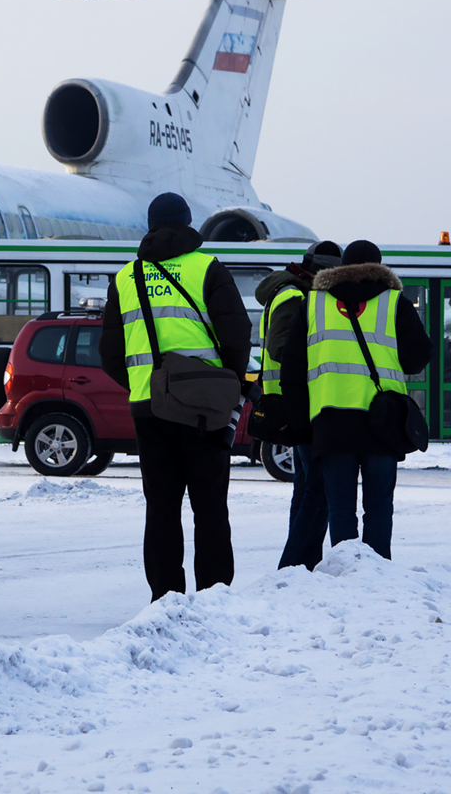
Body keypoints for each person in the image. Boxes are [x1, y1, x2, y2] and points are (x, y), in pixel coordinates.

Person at [99, 193, 251, 601]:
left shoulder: (125, 278)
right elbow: (237, 335)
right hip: (205, 407)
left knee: (162, 507)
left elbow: (110, 355)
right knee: (210, 505)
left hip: (149, 408)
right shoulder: (208, 268)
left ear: (150, 226)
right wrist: (226, 383)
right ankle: (214, 593)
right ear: (188, 223)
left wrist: (145, 383)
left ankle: (165, 596)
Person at [279, 239, 432, 560]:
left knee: (340, 511)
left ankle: (346, 576)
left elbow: (292, 369)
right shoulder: (395, 303)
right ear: (380, 267)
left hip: (331, 424)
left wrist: (301, 426)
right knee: (378, 509)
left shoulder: (313, 304)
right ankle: (377, 576)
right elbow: (418, 357)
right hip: (383, 422)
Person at [257, 240, 342, 571]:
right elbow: (282, 348)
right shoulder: (295, 297)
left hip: (289, 399)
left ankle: (300, 566)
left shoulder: (291, 292)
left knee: (306, 490)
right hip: (297, 401)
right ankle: (294, 565)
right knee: (316, 492)